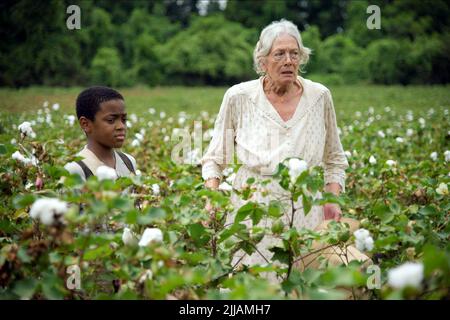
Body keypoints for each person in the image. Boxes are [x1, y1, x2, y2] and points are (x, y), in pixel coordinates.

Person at [201, 19, 369, 283]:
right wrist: (211, 198)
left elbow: (334, 159)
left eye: (295, 53)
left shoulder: (320, 96)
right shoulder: (239, 97)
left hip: (306, 210)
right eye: (279, 54)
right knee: (254, 288)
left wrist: (331, 199)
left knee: (306, 285)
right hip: (252, 212)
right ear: (263, 60)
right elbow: (215, 158)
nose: (289, 61)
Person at [64, 86, 137, 180]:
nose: (121, 126)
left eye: (124, 120)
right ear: (85, 124)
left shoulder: (129, 162)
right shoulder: (74, 170)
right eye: (111, 120)